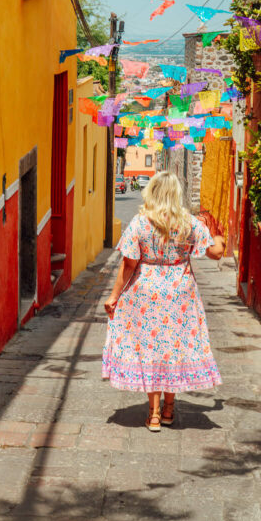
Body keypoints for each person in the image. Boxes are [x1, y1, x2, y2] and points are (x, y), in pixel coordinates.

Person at [102, 171, 224, 431]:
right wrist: (219, 235)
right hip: (181, 294)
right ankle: (169, 409)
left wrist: (114, 296)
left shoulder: (140, 222)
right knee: (173, 350)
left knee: (151, 351)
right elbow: (216, 252)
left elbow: (129, 263)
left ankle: (154, 413)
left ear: (153, 192)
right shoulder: (188, 223)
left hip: (146, 294)